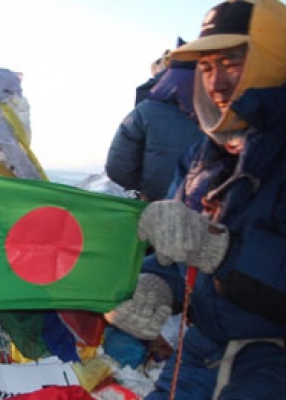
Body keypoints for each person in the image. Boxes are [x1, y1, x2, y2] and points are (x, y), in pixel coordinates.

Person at [106, 0, 286, 398]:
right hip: (199, 350)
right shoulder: (202, 156)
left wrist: (218, 250)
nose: (215, 82)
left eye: (232, 62)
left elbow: (210, 250)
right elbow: (180, 255)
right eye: (205, 68)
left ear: (272, 58)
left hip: (270, 362)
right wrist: (156, 284)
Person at [105, 38, 203, 202]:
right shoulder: (220, 111)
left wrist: (146, 188)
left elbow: (117, 168)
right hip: (206, 212)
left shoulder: (146, 111)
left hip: (154, 206)